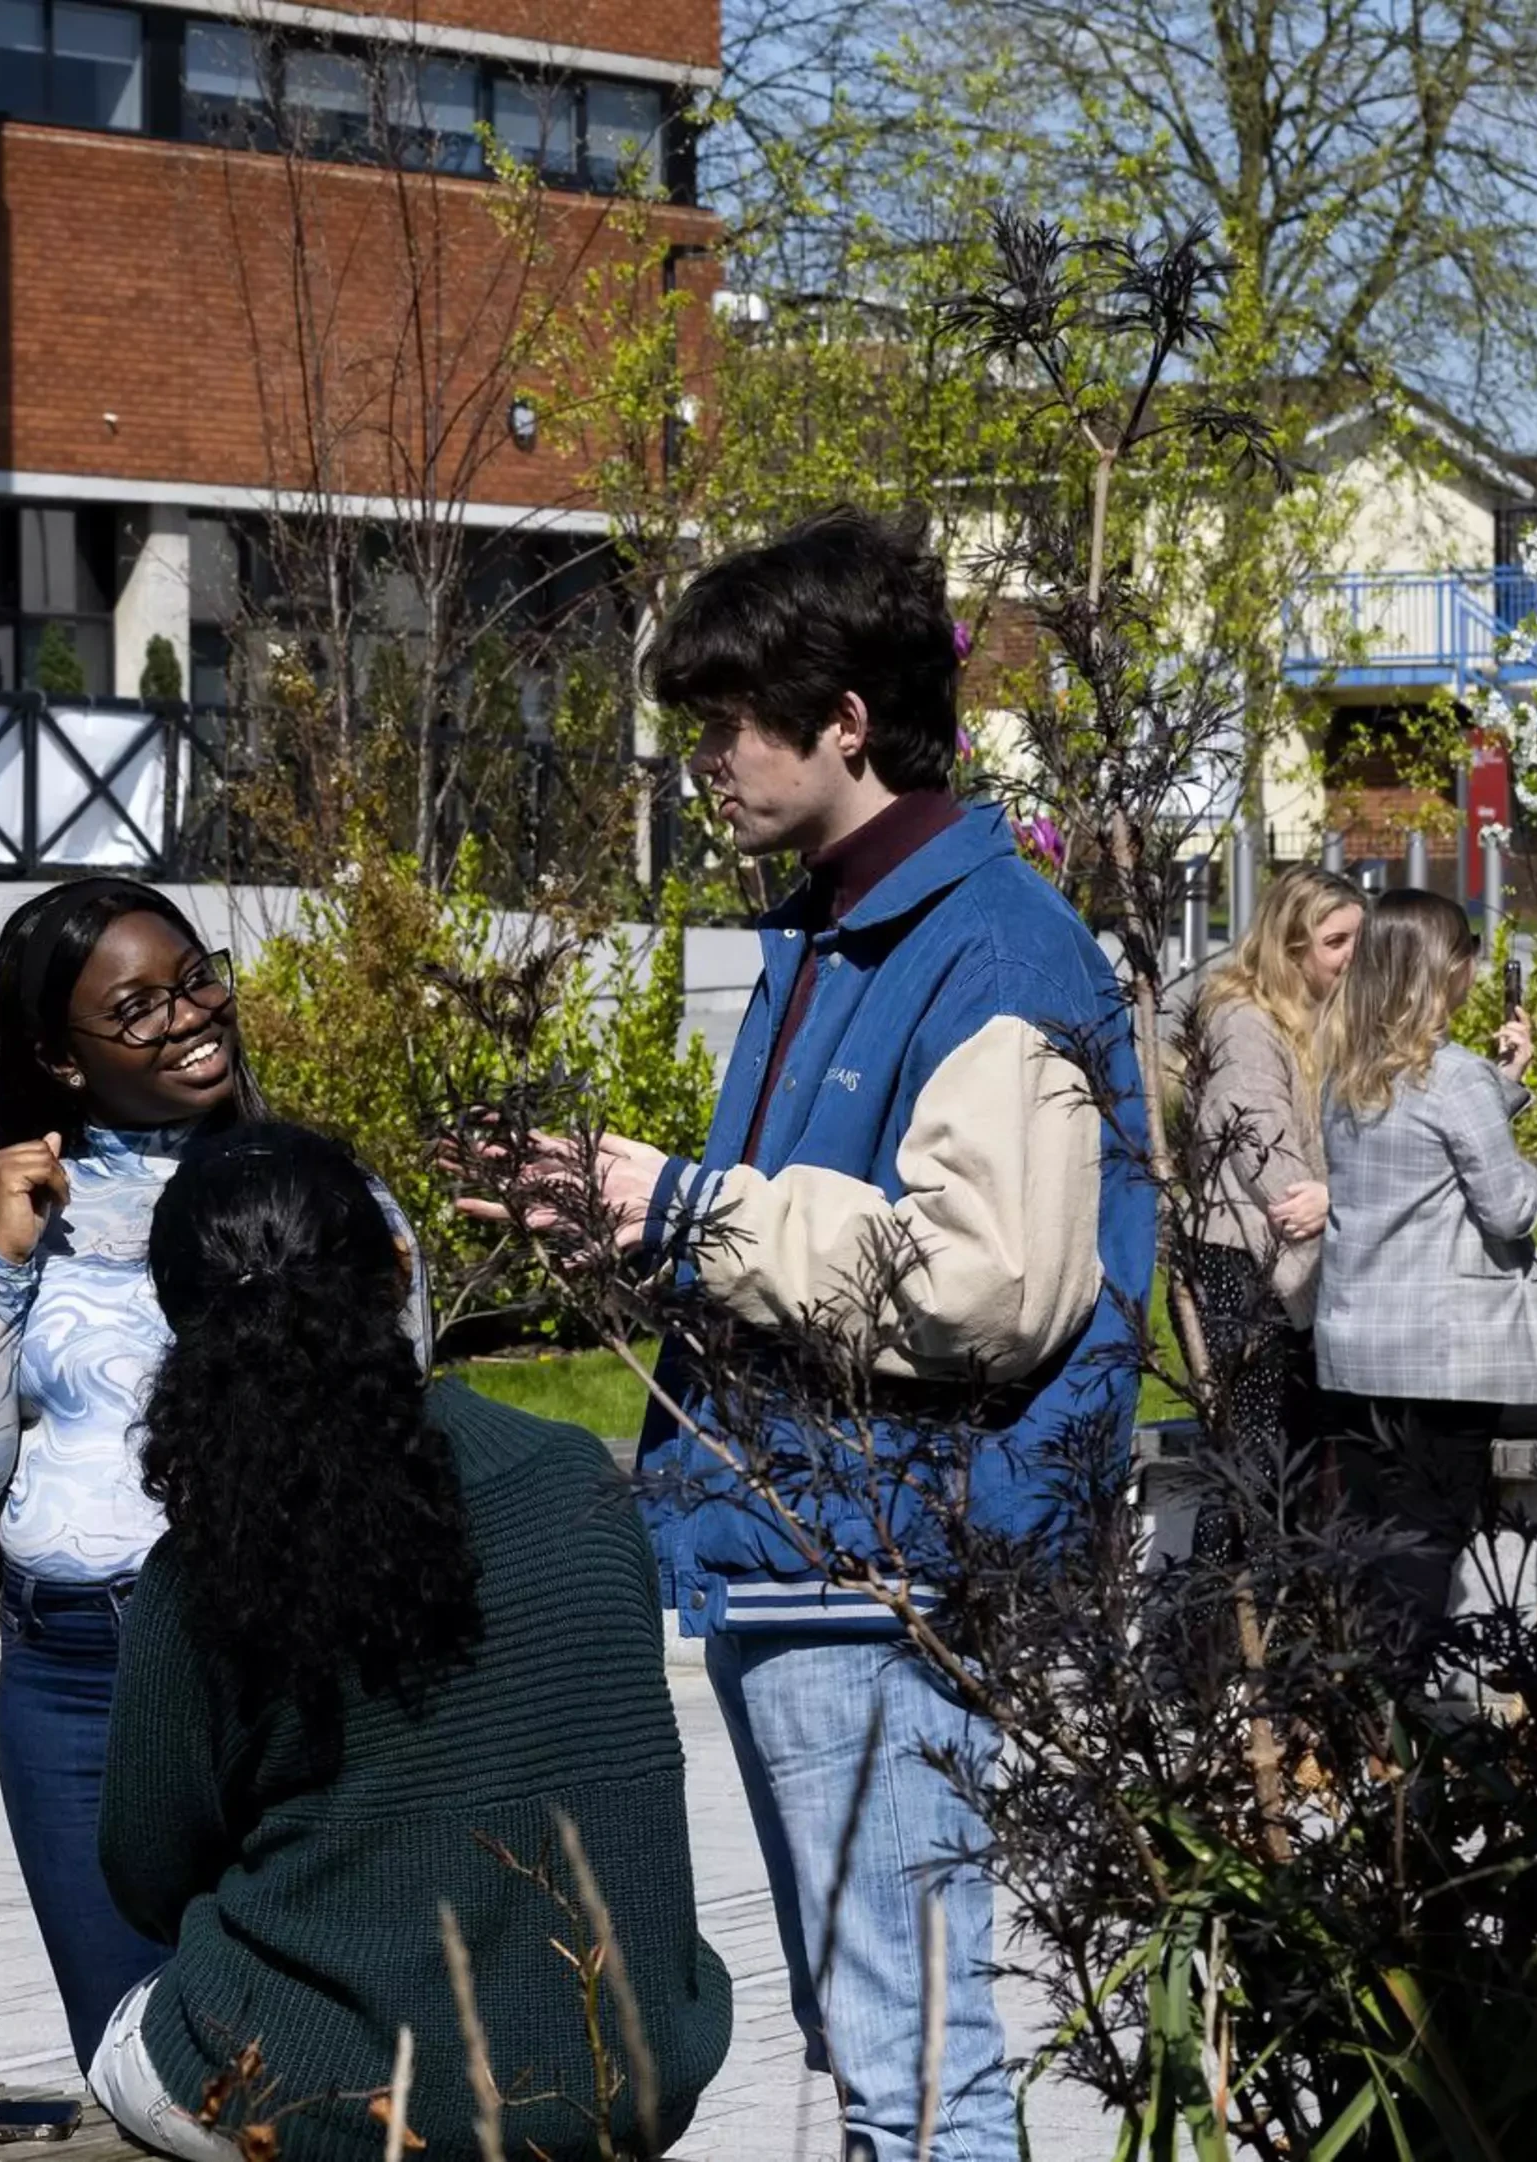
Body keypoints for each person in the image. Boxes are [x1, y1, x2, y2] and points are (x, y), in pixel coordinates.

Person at [472, 510, 1152, 2162]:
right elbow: (830, 1246)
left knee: (919, 2074)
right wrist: (625, 1232)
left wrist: (683, 1210)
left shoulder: (990, 943)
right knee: (881, 2056)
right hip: (817, 1552)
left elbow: (988, 1282)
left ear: (845, 718)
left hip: (891, 1567)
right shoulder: (843, 925)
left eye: (726, 722)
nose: (702, 760)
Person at [91, 1124, 730, 2162]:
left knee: (124, 2037)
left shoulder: (204, 1571)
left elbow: (147, 1870)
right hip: (627, 2068)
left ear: (184, 1329)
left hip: (333, 2093)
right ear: (395, 1273)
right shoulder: (580, 1478)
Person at [0, 878, 433, 2065]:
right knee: (131, 2055)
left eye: (197, 978)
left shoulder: (324, 1193)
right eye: (137, 1008)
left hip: (283, 1660)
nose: (192, 1015)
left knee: (306, 2053)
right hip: (78, 1685)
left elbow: (398, 1423)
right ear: (62, 1058)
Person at [1312, 887, 1537, 1647]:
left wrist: (1505, 1087)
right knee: (1427, 1543)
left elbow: (1420, 1152)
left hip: (1359, 1346)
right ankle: (1398, 1719)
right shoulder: (1454, 1078)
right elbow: (1507, 1208)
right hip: (1440, 1359)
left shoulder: (1349, 1072)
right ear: (1444, 971)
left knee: (1371, 1536)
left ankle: (1357, 1718)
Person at [1180, 865, 1369, 1482]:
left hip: (1285, 1264)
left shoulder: (1323, 1017)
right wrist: (1339, 1203)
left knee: (1289, 1459)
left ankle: (1266, 1577)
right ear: (1290, 949)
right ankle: (1229, 1580)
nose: (1351, 958)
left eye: (1357, 942)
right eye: (1335, 943)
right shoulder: (1245, 1020)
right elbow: (1261, 1144)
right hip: (1242, 1266)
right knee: (1254, 1467)